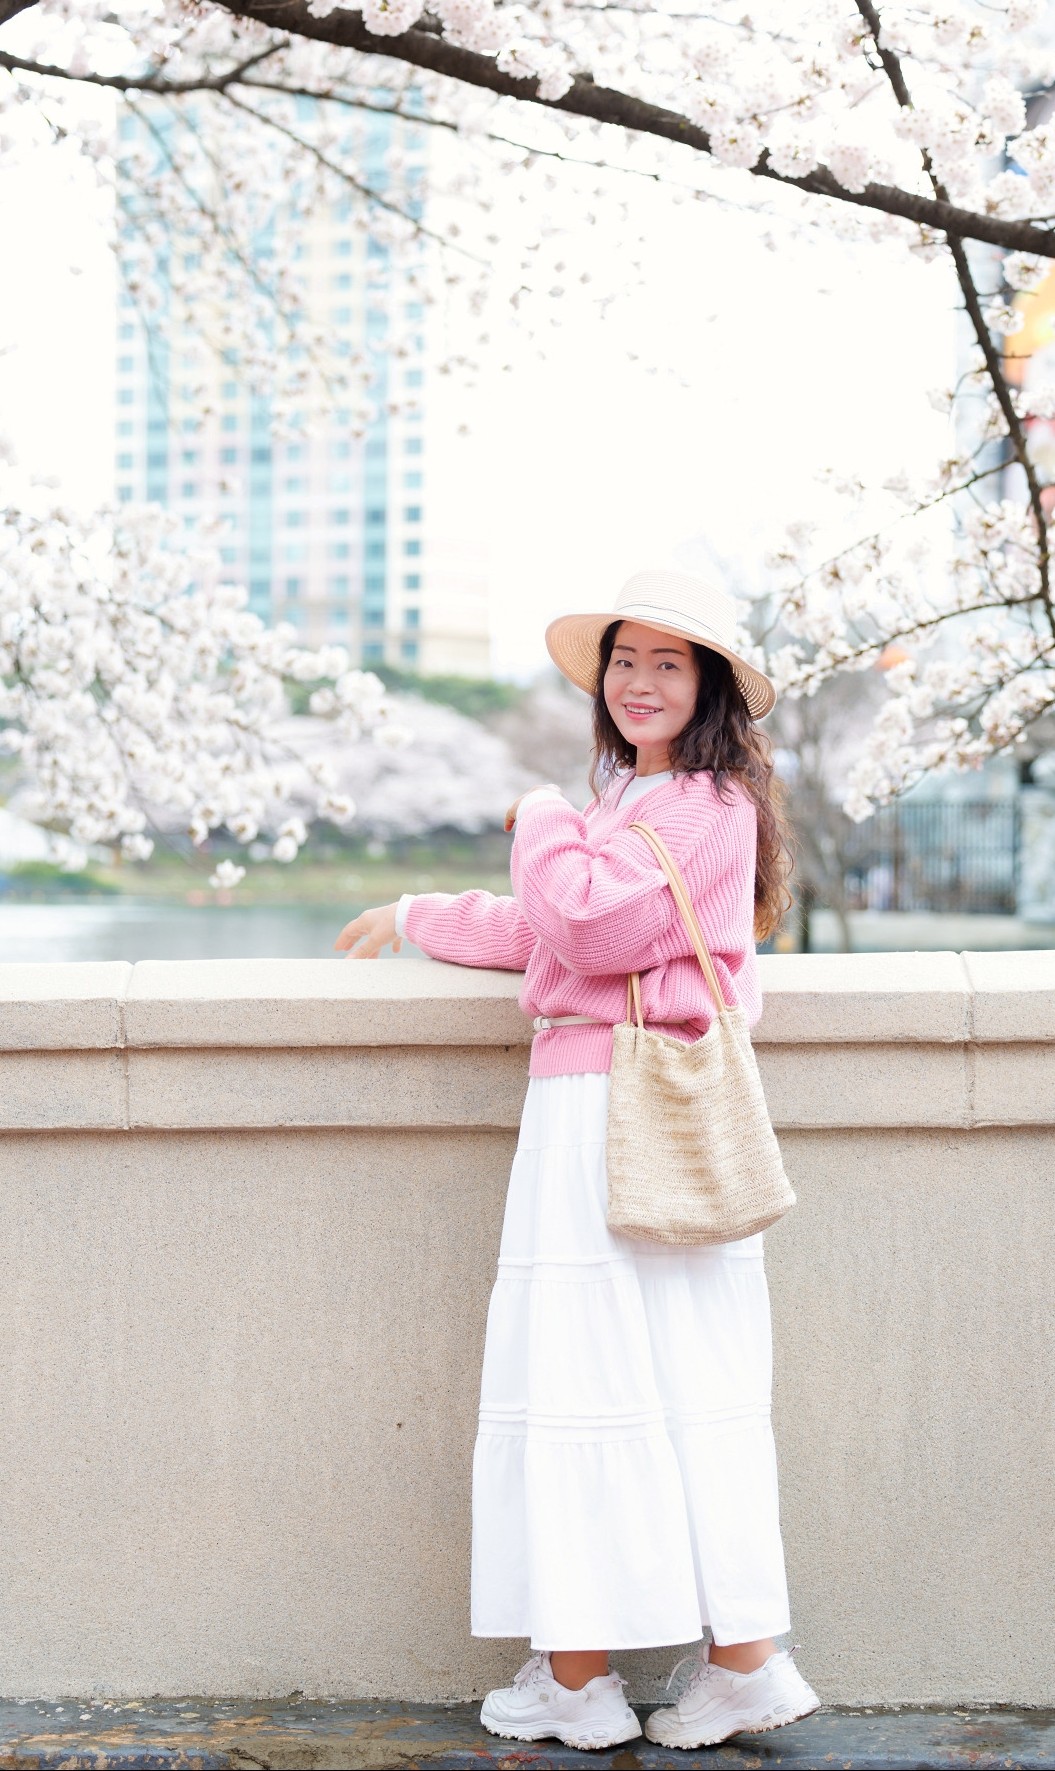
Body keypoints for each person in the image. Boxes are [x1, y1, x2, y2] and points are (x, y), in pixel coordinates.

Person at [336, 570, 820, 1752]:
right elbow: (549, 930)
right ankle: (699, 1664)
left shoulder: (702, 803)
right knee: (659, 1380)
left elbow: (590, 924)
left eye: (667, 662)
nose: (639, 681)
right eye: (623, 661)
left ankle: (590, 1675)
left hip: (616, 1106)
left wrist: (541, 812)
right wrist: (418, 913)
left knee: (589, 1375)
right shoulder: (642, 802)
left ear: (708, 685)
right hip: (634, 1109)